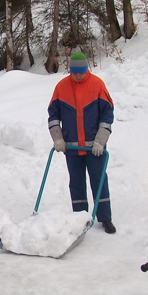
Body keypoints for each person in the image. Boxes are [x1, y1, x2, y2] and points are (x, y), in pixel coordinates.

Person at [47, 52, 116, 234]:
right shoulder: (61, 87)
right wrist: (58, 138)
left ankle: (105, 218)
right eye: (74, 73)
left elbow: (107, 115)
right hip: (71, 146)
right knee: (76, 182)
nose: (77, 76)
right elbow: (53, 115)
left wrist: (100, 141)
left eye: (81, 73)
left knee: (99, 180)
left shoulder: (97, 85)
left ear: (87, 70)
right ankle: (80, 217)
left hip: (94, 147)